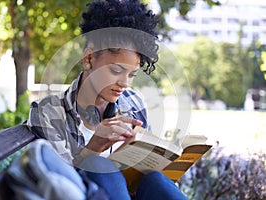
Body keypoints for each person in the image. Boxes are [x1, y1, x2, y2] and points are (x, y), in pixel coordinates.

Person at [26, 0, 188, 199]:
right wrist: (92, 149)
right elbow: (59, 184)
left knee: (156, 179)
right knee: (99, 165)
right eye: (115, 70)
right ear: (89, 58)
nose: (125, 84)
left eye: (132, 75)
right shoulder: (49, 112)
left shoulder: (134, 103)